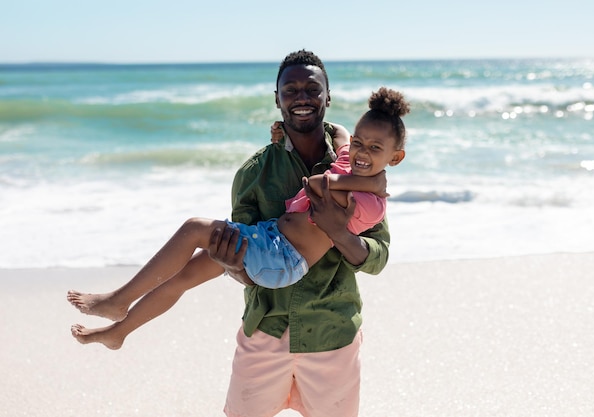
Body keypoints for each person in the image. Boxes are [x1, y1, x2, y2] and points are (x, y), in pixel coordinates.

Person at [70, 50, 407, 417]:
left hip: (332, 332)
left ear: (328, 96)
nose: (302, 97)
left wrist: (341, 233)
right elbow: (243, 274)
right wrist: (234, 268)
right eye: (290, 90)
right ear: (276, 99)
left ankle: (120, 301)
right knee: (192, 270)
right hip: (266, 327)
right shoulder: (261, 171)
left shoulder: (366, 185)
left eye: (312, 89)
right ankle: (122, 324)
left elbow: (377, 256)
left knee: (194, 231)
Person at [67, 104, 404, 348]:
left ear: (394, 157)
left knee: (194, 228)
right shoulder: (348, 160)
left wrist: (373, 185)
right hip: (270, 238)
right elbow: (342, 133)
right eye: (361, 143)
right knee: (184, 275)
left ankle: (118, 299)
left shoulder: (372, 201)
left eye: (376, 149)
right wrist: (296, 125)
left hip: (284, 260)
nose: (361, 152)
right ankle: (119, 331)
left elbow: (317, 185)